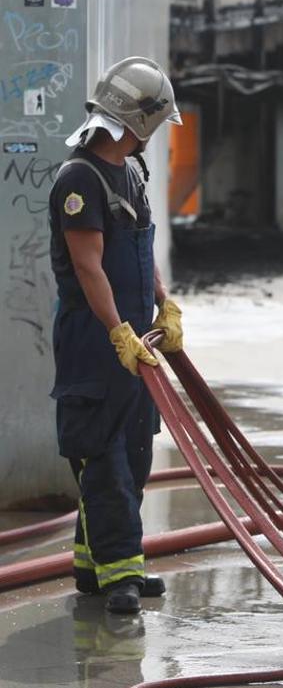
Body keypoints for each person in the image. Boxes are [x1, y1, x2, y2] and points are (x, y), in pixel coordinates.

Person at [48, 57, 184, 614]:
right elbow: (89, 268)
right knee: (101, 457)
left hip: (132, 343)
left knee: (132, 454)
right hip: (95, 342)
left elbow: (139, 250)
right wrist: (118, 333)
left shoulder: (131, 171)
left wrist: (163, 301)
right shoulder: (79, 179)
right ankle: (123, 574)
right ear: (140, 120)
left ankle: (92, 566)